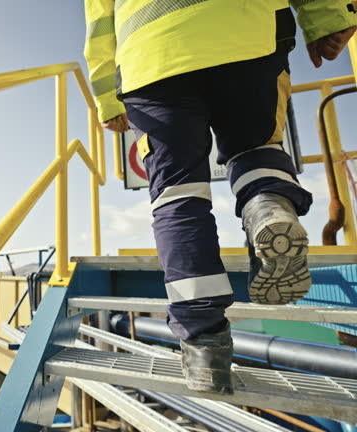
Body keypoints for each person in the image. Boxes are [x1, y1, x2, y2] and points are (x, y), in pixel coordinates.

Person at [84, 0, 356, 394]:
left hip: (150, 57)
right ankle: (266, 206)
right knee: (255, 148)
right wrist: (329, 16)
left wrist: (107, 101)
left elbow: (98, 27)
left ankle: (204, 348)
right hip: (245, 31)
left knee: (177, 194)